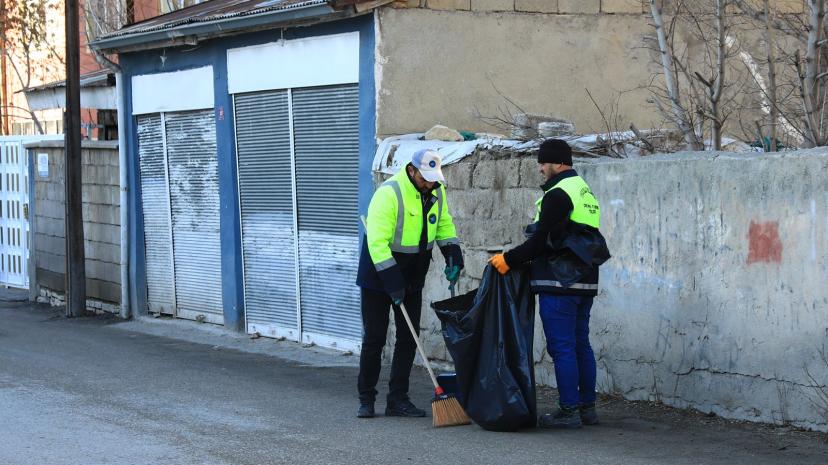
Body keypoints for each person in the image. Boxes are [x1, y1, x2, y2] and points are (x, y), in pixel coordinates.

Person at [489, 139, 610, 429]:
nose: (541, 168)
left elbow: (540, 243)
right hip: (584, 281)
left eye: (543, 163)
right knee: (581, 345)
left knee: (563, 348)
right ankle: (586, 409)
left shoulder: (558, 194)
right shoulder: (583, 190)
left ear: (557, 163)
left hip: (560, 281)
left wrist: (508, 259)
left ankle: (568, 410)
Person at [355, 149, 464, 419]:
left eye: (433, 179)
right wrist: (392, 283)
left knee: (408, 338)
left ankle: (398, 399)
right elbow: (377, 242)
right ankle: (366, 398)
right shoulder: (389, 193)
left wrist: (453, 254)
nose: (430, 183)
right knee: (375, 338)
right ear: (412, 170)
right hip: (380, 275)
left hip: (413, 274)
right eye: (425, 178)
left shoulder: (437, 192)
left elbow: (443, 225)